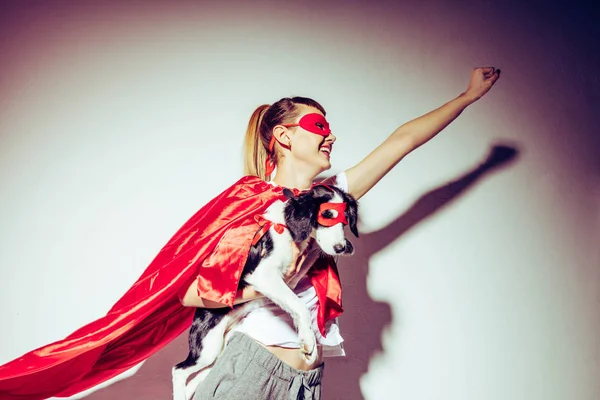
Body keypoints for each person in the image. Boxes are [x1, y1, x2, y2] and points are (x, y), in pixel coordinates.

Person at [182, 67, 502, 400]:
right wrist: (271, 287)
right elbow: (190, 293)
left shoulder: (329, 197)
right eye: (318, 127)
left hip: (305, 382)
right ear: (284, 136)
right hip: (252, 372)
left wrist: (468, 97)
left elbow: (401, 142)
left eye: (329, 128)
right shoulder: (251, 204)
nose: (330, 136)